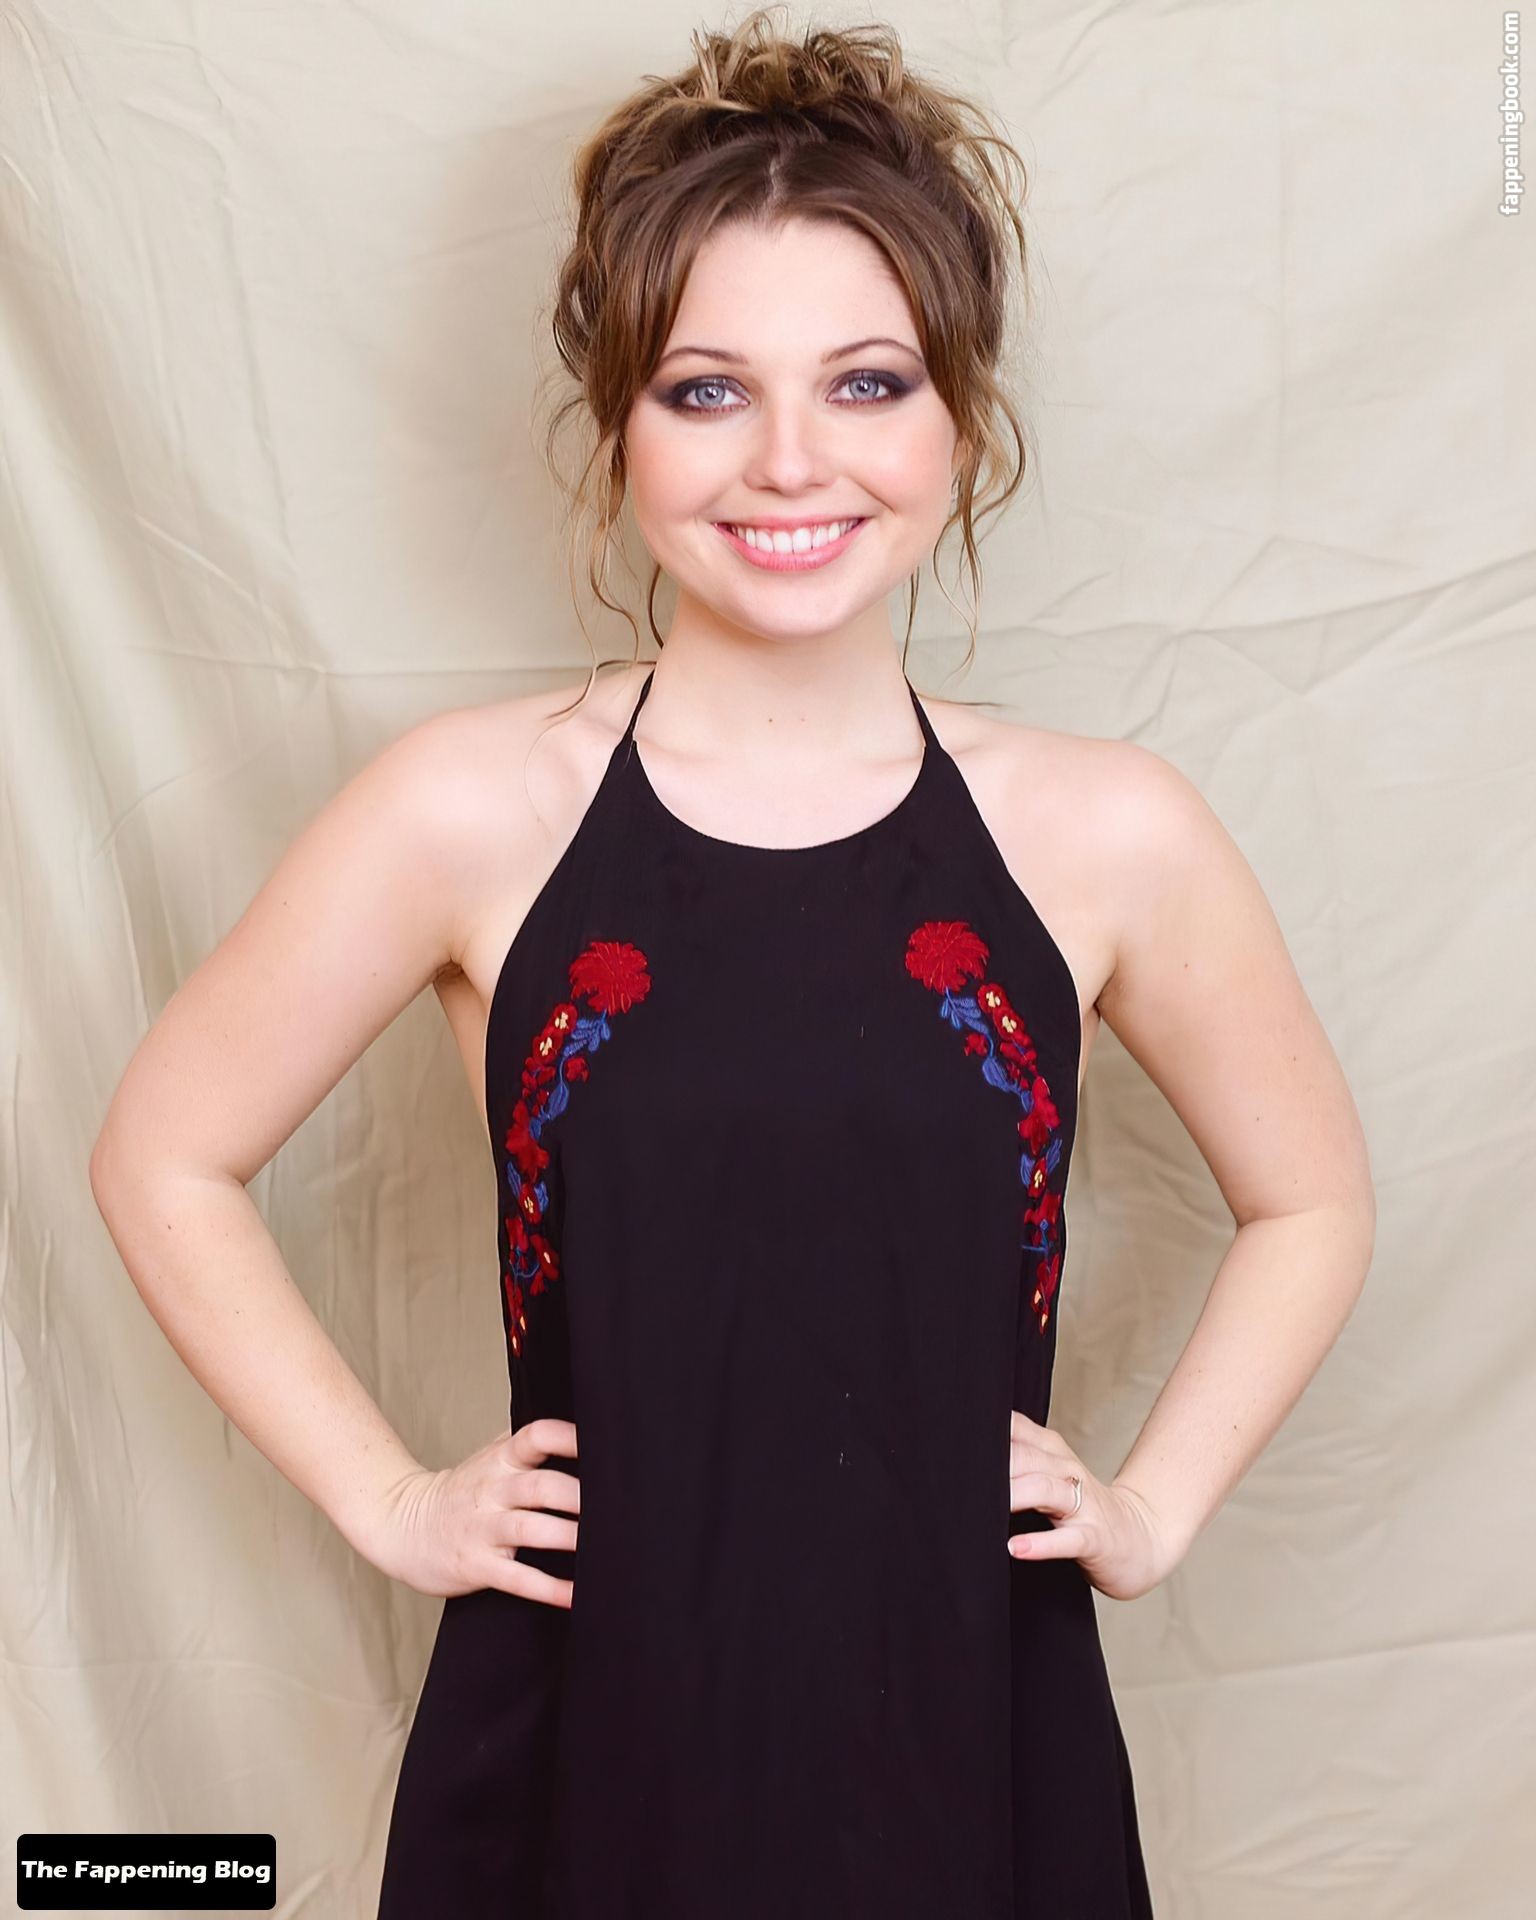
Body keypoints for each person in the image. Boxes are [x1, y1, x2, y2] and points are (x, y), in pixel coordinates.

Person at [89, 10, 1377, 1917]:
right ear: (618, 421)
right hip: (582, 1749)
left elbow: (1313, 1199)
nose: (790, 460)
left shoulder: (1107, 832)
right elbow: (163, 1155)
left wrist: (1151, 1506)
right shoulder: (471, 812)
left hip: (973, 1743)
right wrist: (392, 1498)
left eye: (866, 382)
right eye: (707, 389)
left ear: (960, 416)